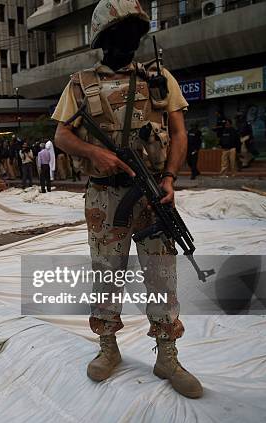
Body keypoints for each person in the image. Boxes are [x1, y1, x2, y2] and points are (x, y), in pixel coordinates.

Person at [52, 0, 202, 399]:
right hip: (105, 196)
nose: (130, 42)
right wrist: (94, 153)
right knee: (106, 274)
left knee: (161, 276)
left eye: (135, 34)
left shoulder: (159, 79)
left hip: (152, 193)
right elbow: (62, 136)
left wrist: (169, 177)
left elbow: (179, 131)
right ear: (104, 39)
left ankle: (167, 354)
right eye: (121, 35)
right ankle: (108, 347)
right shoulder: (80, 83)